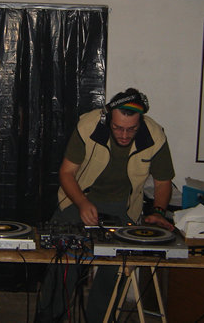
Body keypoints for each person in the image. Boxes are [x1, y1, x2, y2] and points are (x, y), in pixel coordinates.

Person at [36, 88, 175, 323]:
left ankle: (100, 319)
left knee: (115, 269)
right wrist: (82, 203)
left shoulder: (154, 136)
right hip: (79, 198)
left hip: (123, 206)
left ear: (141, 122)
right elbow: (66, 173)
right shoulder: (89, 126)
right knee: (63, 261)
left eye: (131, 129)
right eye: (118, 128)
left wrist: (158, 212)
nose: (124, 135)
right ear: (108, 118)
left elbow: (163, 182)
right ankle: (49, 317)